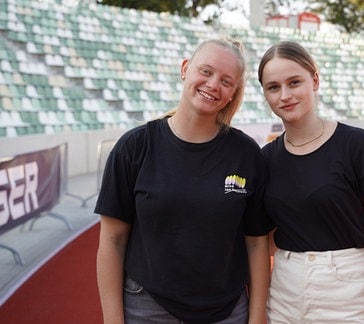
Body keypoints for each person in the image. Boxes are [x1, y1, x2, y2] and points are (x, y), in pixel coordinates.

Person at [95, 38, 274, 324]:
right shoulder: (134, 147)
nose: (213, 84)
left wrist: (256, 317)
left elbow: (256, 244)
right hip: (146, 308)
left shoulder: (246, 154)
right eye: (206, 71)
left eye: (226, 81)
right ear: (185, 69)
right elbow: (112, 240)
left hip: (226, 311)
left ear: (233, 93)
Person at [257, 40, 364, 323]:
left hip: (347, 295)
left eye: (294, 82)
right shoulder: (265, 158)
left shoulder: (357, 145)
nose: (285, 95)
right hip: (284, 291)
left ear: (315, 80)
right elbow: (263, 240)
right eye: (273, 87)